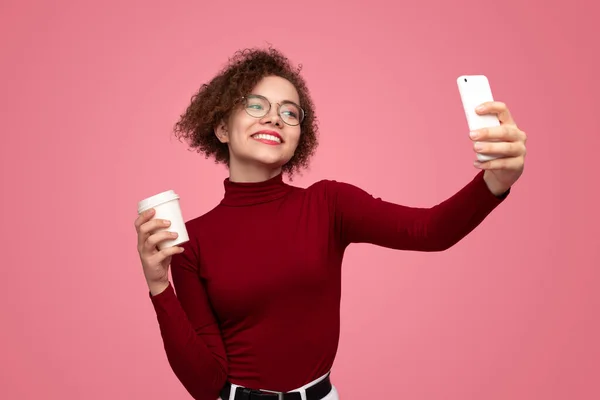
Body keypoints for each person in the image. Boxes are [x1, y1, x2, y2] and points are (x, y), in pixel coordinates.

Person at [134, 47, 527, 400]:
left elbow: (430, 231)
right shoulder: (193, 240)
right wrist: (158, 287)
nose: (275, 116)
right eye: (256, 105)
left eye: (290, 112)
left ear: (298, 136)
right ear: (221, 128)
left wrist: (496, 180)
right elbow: (204, 385)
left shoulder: (329, 203)